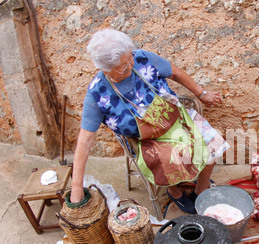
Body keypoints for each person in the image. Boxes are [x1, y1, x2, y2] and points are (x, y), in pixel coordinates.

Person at [70, 29, 230, 214]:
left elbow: (175, 73)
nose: (131, 65)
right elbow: (85, 141)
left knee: (212, 145)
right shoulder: (97, 93)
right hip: (145, 140)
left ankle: (201, 189)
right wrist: (76, 188)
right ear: (106, 69)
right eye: (123, 65)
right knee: (172, 159)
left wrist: (202, 93)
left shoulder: (141, 58)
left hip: (175, 119)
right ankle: (174, 191)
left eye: (130, 58)